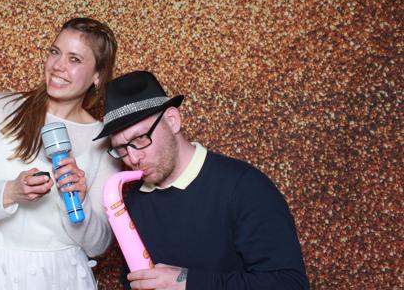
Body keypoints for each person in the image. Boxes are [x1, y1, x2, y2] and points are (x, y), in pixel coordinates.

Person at [0, 17, 121, 289]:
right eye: (55, 52)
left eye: (74, 59)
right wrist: (10, 192)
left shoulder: (103, 141)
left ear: (98, 76)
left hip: (62, 278)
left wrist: (79, 202)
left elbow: (99, 244)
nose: (58, 65)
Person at [93, 70, 309, 290]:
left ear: (172, 120)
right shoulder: (133, 203)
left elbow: (290, 284)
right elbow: (132, 280)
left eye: (140, 138)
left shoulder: (245, 186)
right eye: (121, 148)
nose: (133, 158)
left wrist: (188, 283)